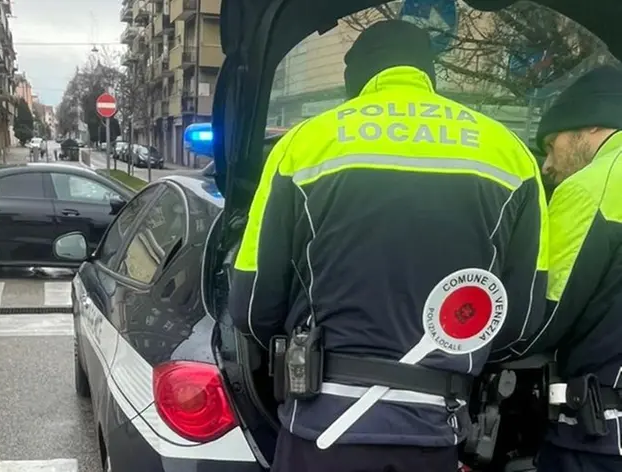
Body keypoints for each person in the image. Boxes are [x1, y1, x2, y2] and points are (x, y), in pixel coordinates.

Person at [227, 20, 549, 472]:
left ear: (355, 78)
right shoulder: (510, 154)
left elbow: (252, 303)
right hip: (435, 429)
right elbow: (519, 319)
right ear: (427, 72)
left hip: (321, 426)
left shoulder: (303, 145)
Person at [507, 65, 622, 472]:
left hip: (601, 435)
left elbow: (544, 315)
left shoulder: (595, 184)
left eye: (552, 145)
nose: (547, 166)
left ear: (590, 126)